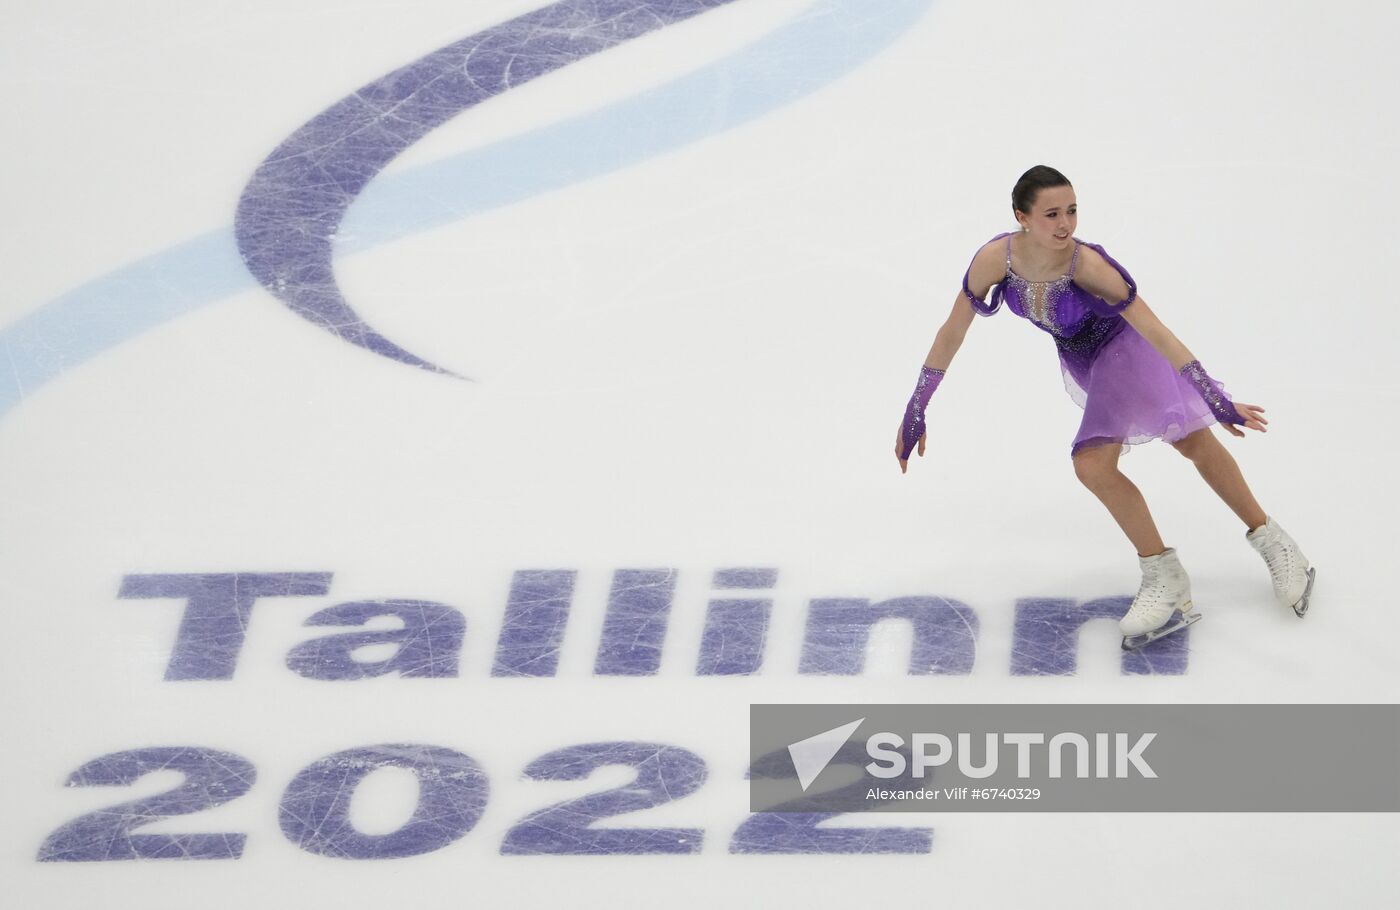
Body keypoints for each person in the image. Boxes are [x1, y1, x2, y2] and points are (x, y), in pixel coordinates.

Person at [895, 165, 1315, 650]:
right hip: (1086, 363)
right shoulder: (995, 259)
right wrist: (917, 405)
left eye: (1071, 211)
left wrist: (1214, 396)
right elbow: (953, 330)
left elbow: (1155, 329)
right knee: (1191, 440)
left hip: (1127, 351)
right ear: (1021, 216)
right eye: (1051, 213)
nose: (1065, 224)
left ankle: (1174, 572)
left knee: (1093, 462)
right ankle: (1271, 541)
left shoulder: (1088, 265)